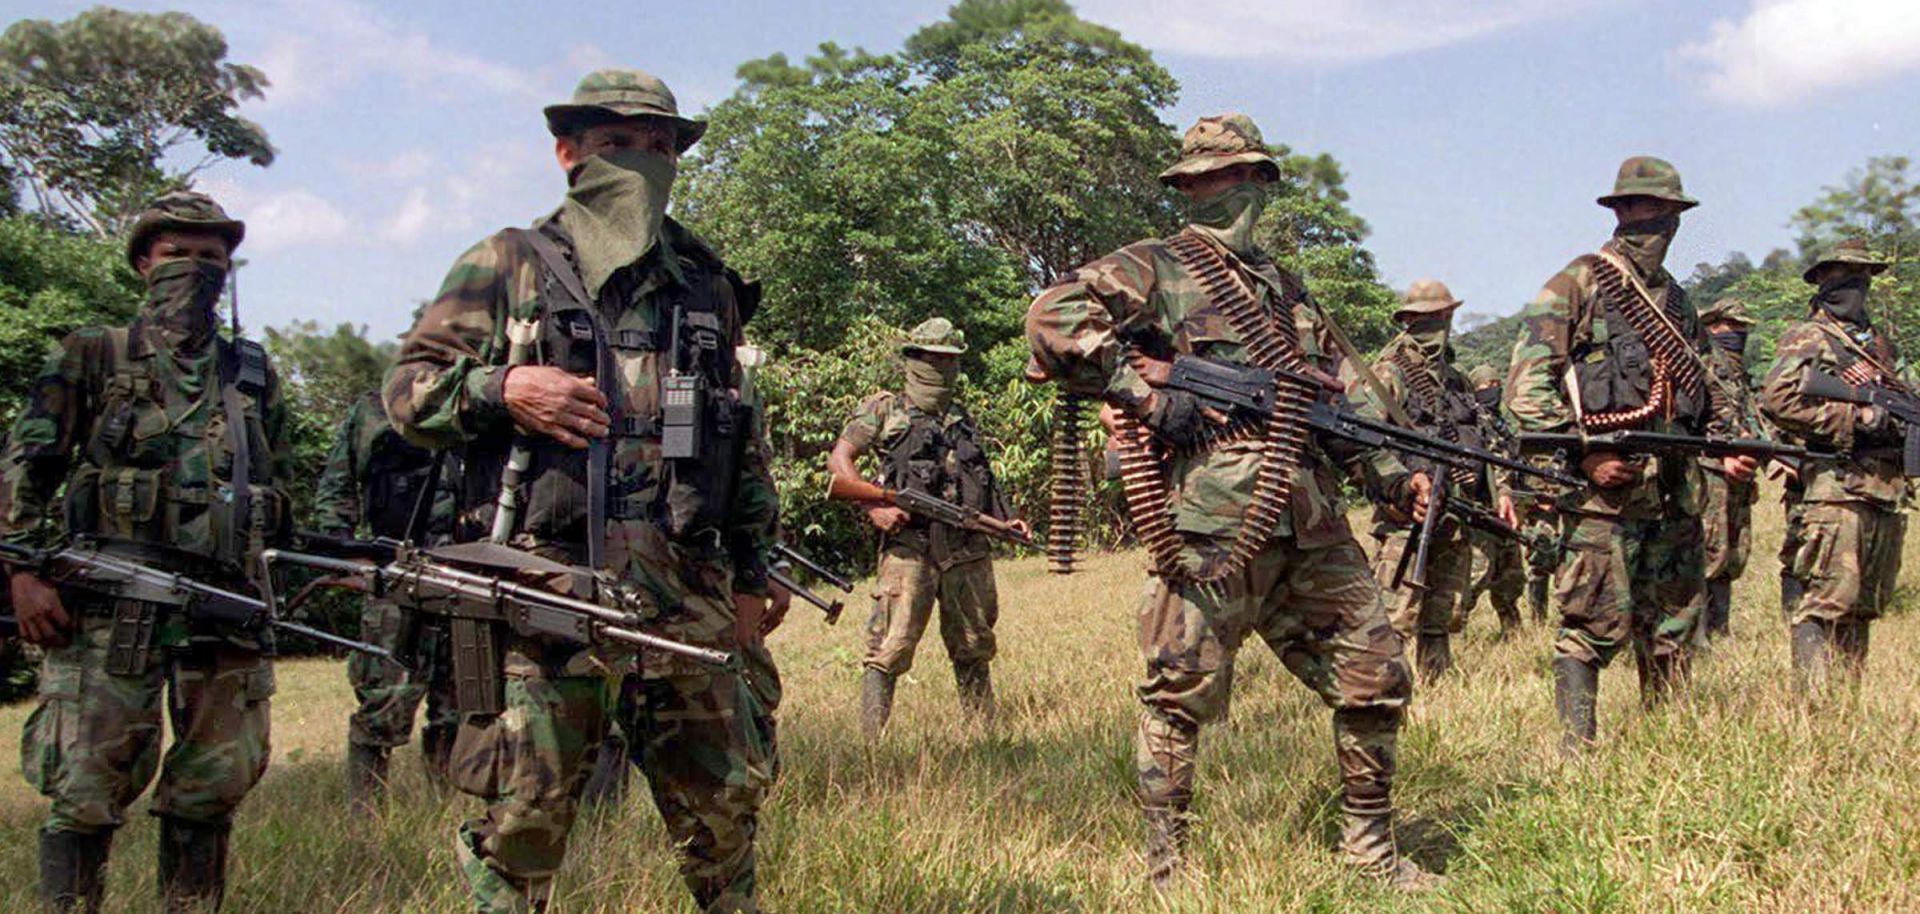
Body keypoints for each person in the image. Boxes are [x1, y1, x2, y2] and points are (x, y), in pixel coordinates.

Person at [383, 68, 779, 913]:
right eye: (615, 144)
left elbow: (742, 442)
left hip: (685, 595)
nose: (642, 159)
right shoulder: (508, 265)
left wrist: (753, 576)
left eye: (659, 145)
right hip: (541, 596)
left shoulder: (706, 286)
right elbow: (407, 395)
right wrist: (503, 390)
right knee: (523, 819)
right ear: (568, 153)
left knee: (724, 816)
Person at [1025, 113, 1441, 890]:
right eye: (1200, 181)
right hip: (1213, 526)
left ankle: (1371, 856)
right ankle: (1167, 872)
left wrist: (1392, 474)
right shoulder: (1157, 266)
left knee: (1377, 678)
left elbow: (1339, 407)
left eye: (1233, 176)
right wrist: (1142, 397)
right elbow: (1051, 317)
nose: (1218, 193)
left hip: (1312, 520)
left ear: (1260, 182)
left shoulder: (1288, 292)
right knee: (1178, 696)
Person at [2, 191, 290, 912]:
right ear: (142, 264)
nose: (194, 269)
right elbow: (23, 469)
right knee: (86, 784)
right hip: (107, 604)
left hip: (223, 606)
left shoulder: (249, 372)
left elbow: (274, 483)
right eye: (175, 255)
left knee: (212, 785)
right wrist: (23, 574)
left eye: (210, 257)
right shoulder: (93, 352)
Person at [1505, 157, 1755, 752]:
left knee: (1673, 624)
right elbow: (1525, 390)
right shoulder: (1578, 284)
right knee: (1589, 621)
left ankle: (1664, 744)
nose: (1647, 222)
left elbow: (1704, 385)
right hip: (1603, 497)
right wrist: (1585, 458)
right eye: (1635, 210)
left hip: (1673, 491)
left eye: (1659, 212)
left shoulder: (1679, 302)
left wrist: (1728, 444)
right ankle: (1576, 752)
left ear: (1675, 218)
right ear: (1616, 213)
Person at [827, 317, 1026, 737]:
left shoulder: (960, 417)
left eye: (951, 360)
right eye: (935, 359)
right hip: (910, 546)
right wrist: (872, 505)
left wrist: (1004, 521)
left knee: (974, 642)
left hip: (965, 546)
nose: (944, 369)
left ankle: (984, 736)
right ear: (914, 359)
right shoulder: (885, 409)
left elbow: (977, 477)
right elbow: (840, 462)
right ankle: (871, 743)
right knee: (890, 645)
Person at [1757, 238, 1908, 689]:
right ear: (1821, 279)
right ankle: (1814, 710)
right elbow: (1778, 398)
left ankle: (1845, 708)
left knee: (1863, 605)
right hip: (1834, 490)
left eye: (1863, 276)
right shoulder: (1810, 336)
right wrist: (1852, 418)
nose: (1856, 285)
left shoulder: (1878, 344)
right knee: (1825, 602)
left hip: (1882, 488)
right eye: (1844, 274)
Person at [312, 390, 460, 807]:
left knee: (459, 706)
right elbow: (337, 484)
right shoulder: (378, 406)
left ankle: (445, 812)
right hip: (394, 571)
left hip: (469, 575)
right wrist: (346, 555)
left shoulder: (486, 402)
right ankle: (366, 820)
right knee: (384, 702)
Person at [1362, 280, 1515, 676]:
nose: (1439, 325)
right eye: (1428, 318)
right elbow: (1364, 443)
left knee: (1443, 615)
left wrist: (1499, 492)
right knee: (1396, 616)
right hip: (1406, 515)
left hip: (1456, 510)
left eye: (1444, 316)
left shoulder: (1457, 380)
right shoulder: (1387, 373)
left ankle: (1437, 687)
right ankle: (1385, 694)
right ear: (1408, 320)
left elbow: (1484, 439)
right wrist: (1397, 490)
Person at [1694, 298, 1762, 641]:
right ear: (1713, 325)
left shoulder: (1738, 375)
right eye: (1732, 326)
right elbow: (1693, 420)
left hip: (1738, 476)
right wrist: (1723, 454)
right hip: (1709, 472)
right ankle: (1699, 634)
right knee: (1709, 550)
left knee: (1734, 551)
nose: (1739, 333)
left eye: (1743, 328)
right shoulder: (1701, 363)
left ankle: (1720, 630)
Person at [1460, 364, 1529, 635]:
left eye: (1496, 384)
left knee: (1511, 577)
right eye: (1484, 387)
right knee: (1477, 574)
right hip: (1483, 508)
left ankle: (1513, 632)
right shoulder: (1472, 422)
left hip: (1508, 510)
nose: (1492, 391)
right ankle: (1455, 628)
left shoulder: (1501, 423)